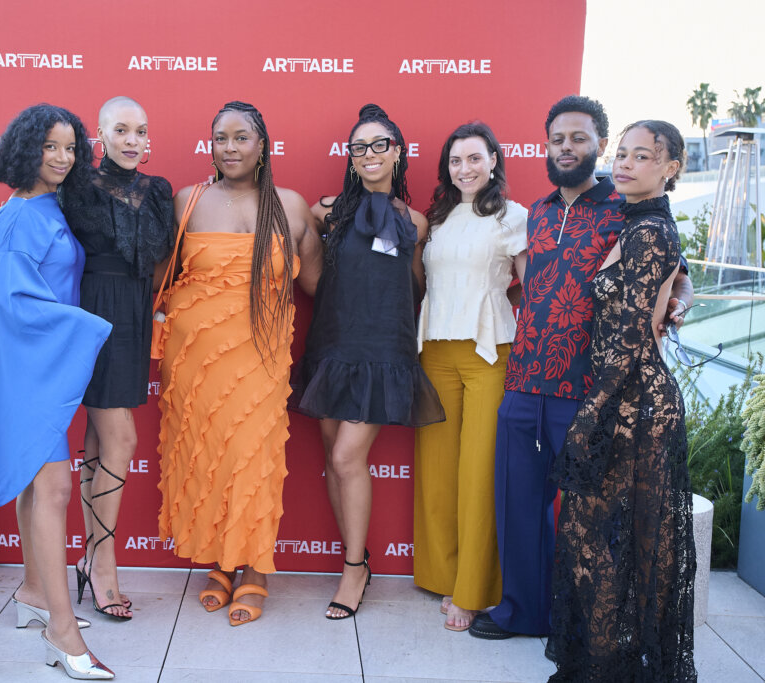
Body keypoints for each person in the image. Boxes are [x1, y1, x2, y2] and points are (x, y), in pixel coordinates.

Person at [468, 96, 694, 641]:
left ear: (599, 144)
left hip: (590, 389)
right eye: (557, 140)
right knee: (519, 506)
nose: (566, 148)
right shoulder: (539, 211)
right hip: (525, 380)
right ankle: (523, 613)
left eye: (578, 138)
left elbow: (677, 272)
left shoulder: (627, 205)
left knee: (591, 518)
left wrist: (680, 303)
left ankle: (586, 627)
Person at [157, 101, 322, 626]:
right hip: (196, 359)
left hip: (261, 356)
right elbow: (159, 275)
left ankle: (255, 567)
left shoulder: (290, 206)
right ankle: (221, 561)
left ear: (262, 145)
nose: (230, 148)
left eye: (241, 137)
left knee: (253, 457)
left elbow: (317, 284)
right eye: (221, 138)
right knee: (211, 456)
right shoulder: (188, 200)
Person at [0, 104, 113, 680]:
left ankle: (33, 592)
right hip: (31, 369)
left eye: (71, 147)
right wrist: (90, 325)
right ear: (27, 148)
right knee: (54, 487)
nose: (63, 157)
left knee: (39, 484)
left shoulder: (38, 205)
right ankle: (62, 628)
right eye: (51, 146)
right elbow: (12, 302)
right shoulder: (25, 215)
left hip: (43, 366)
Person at [546, 120, 696, 681]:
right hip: (629, 397)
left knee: (597, 534)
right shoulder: (639, 223)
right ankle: (612, 660)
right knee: (618, 538)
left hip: (634, 402)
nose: (626, 164)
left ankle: (607, 665)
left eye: (642, 156)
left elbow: (631, 335)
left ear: (670, 168)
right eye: (624, 154)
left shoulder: (648, 230)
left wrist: (592, 412)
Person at [289, 104, 445, 620]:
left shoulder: (416, 223)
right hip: (333, 346)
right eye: (360, 147)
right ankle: (355, 559)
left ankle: (355, 567)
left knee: (345, 458)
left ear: (397, 152)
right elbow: (306, 266)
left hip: (383, 353)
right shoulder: (325, 212)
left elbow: (418, 289)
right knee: (333, 458)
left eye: (380, 144)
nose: (370, 154)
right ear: (351, 157)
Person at [60, 96, 173, 621]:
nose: (132, 140)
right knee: (121, 439)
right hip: (91, 311)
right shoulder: (76, 183)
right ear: (100, 135)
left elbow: (160, 260)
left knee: (99, 438)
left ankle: (90, 557)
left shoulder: (159, 190)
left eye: (141, 131)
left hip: (133, 313)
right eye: (122, 129)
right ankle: (103, 565)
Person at [413, 121, 527, 631]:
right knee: (437, 473)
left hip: (489, 353)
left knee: (480, 473)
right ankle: (443, 575)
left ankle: (474, 590)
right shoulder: (437, 217)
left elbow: (532, 285)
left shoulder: (513, 216)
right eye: (456, 161)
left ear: (494, 160)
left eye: (475, 158)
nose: (465, 169)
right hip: (434, 350)